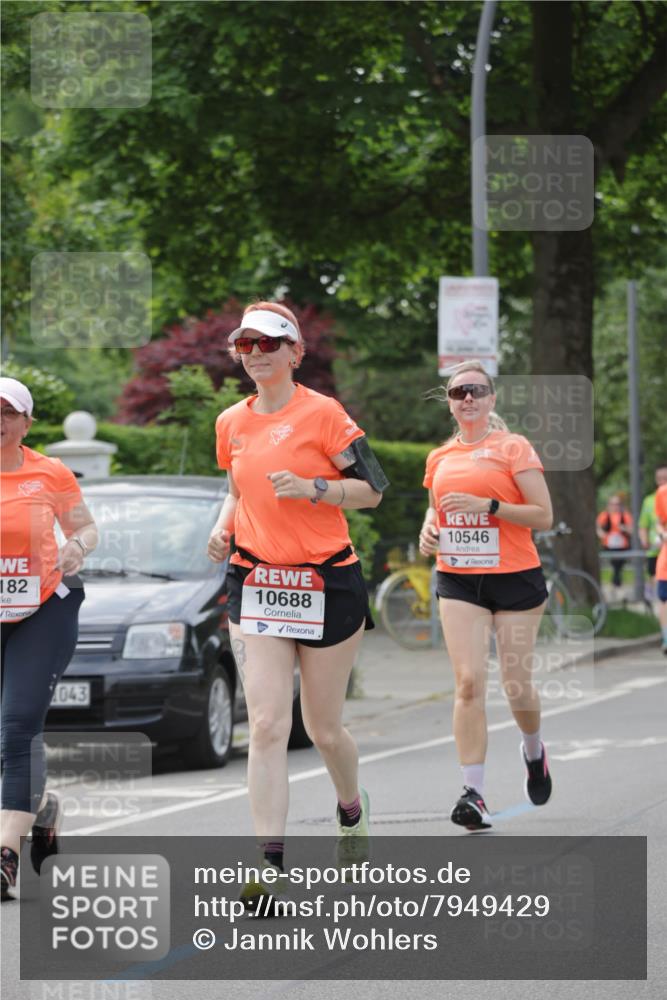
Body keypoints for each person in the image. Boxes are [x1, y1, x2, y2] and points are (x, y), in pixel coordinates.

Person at [207, 302, 387, 906]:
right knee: (266, 724)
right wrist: (222, 526)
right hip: (257, 579)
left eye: (268, 344)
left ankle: (351, 808)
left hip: (327, 581)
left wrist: (315, 488)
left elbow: (373, 491)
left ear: (295, 352)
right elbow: (236, 489)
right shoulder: (231, 421)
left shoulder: (324, 414)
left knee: (324, 729)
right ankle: (269, 865)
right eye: (246, 345)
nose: (256, 354)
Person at [419, 360, 553, 832]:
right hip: (459, 579)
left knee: (516, 685)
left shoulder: (513, 447)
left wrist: (490, 506)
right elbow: (434, 511)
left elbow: (543, 515)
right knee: (469, 682)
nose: (468, 398)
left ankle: (533, 751)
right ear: (450, 404)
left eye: (476, 390)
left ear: (492, 399)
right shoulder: (439, 457)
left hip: (515, 578)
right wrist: (428, 531)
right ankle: (472, 793)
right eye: (459, 393)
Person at [1, 377, 98, 900]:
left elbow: (86, 528)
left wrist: (77, 547)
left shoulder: (49, 472)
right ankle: (41, 809)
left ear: (26, 422)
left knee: (18, 729)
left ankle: (6, 857)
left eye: (7, 412)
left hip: (42, 609)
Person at [639, 465, 667, 603]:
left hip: (665, 548)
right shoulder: (649, 500)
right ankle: (653, 606)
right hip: (654, 549)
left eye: (665, 478)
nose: (662, 481)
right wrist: (645, 541)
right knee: (655, 580)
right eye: (659, 478)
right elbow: (643, 525)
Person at [596, 495, 633, 591]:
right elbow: (598, 528)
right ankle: (616, 584)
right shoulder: (604, 515)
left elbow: (631, 530)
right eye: (612, 504)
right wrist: (602, 535)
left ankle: (615, 584)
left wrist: (624, 528)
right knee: (615, 565)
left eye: (617, 504)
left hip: (622, 546)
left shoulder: (625, 515)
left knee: (618, 565)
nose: (615, 506)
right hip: (608, 546)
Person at [654, 482, 667, 655]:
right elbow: (659, 522)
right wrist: (662, 534)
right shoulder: (663, 492)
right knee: (665, 601)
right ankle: (666, 638)